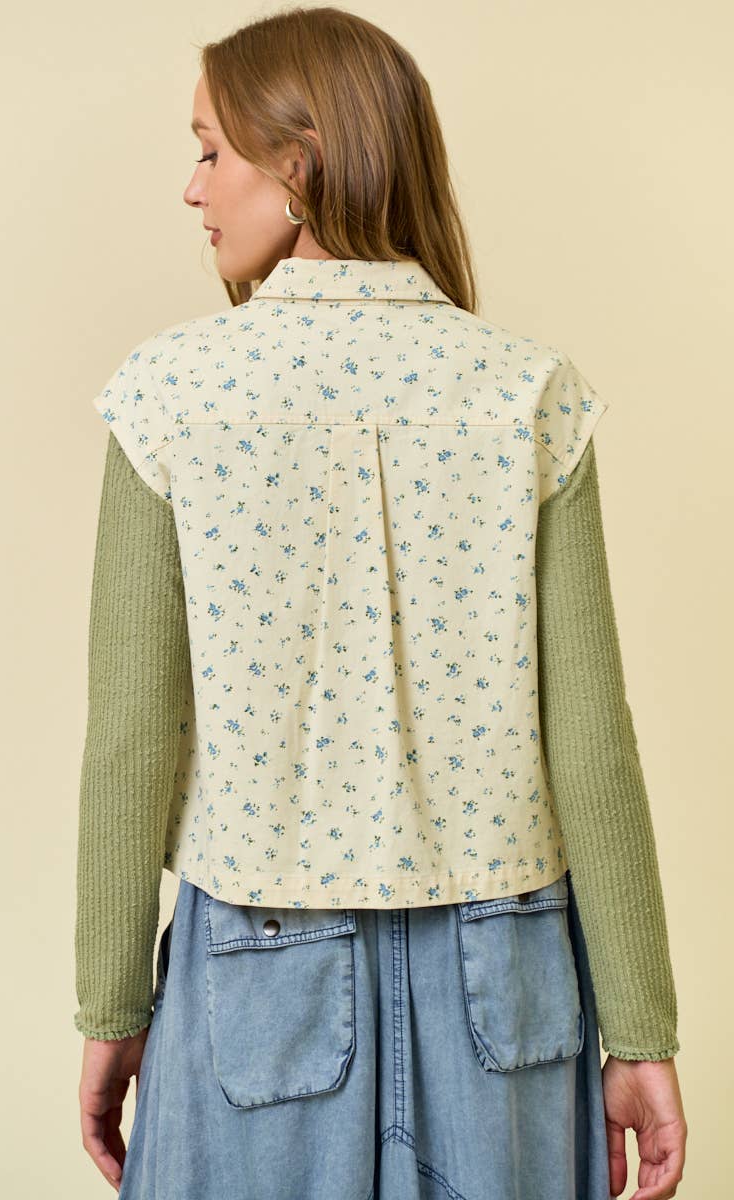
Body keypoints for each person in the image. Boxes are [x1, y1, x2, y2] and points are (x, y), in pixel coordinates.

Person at [74, 7, 687, 1198]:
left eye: (209, 150)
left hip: (251, 968)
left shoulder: (169, 396)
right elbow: (590, 741)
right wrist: (639, 1031)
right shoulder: (526, 393)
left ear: (297, 164)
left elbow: (132, 739)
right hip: (507, 974)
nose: (192, 188)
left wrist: (110, 1005)